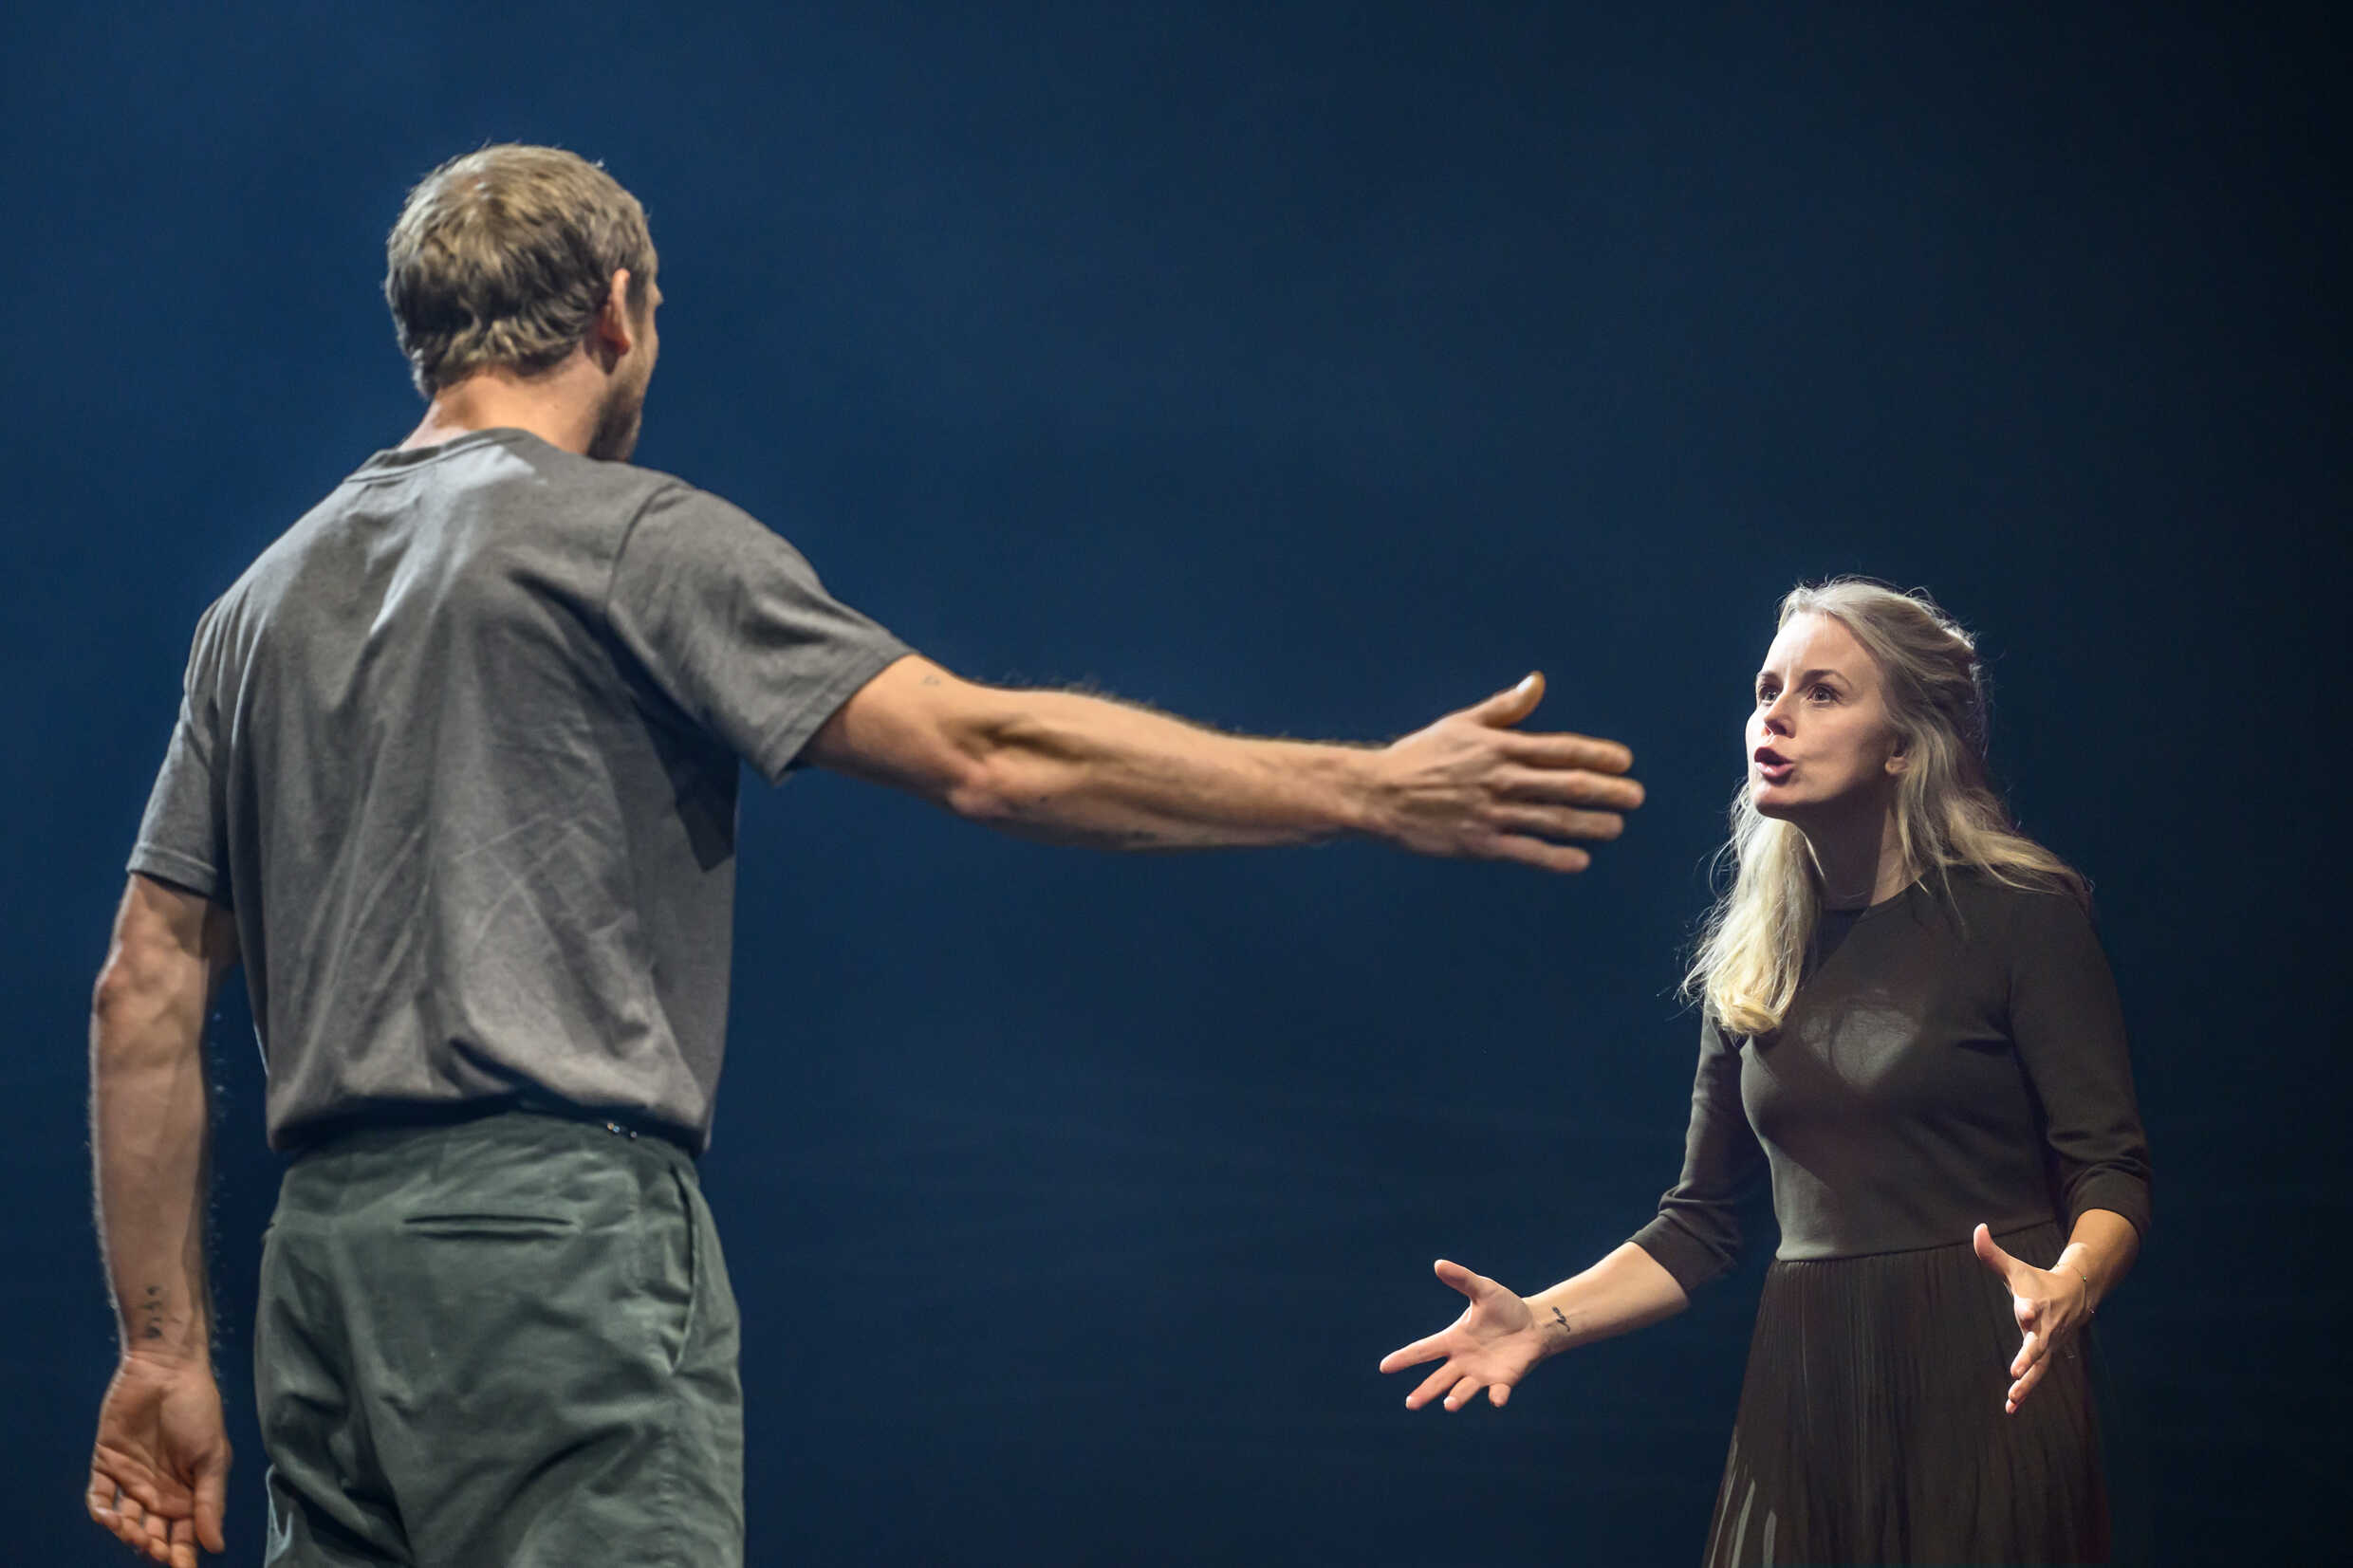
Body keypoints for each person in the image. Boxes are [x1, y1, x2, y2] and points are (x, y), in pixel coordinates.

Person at [82, 143, 1646, 1568]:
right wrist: (1367, 786)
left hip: (324, 1271)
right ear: (619, 314)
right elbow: (989, 754)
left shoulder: (259, 605)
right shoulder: (628, 536)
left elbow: (142, 989)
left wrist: (161, 1352)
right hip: (550, 1246)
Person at [1380, 580, 2149, 1564]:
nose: (1773, 717)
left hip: (1980, 1365)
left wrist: (2071, 1282)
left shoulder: (2016, 914)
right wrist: (1540, 1321)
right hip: (1806, 1383)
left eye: (1822, 693)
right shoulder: (1756, 953)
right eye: (1765, 689)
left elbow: (2108, 1167)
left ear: (1904, 744)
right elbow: (1699, 1224)